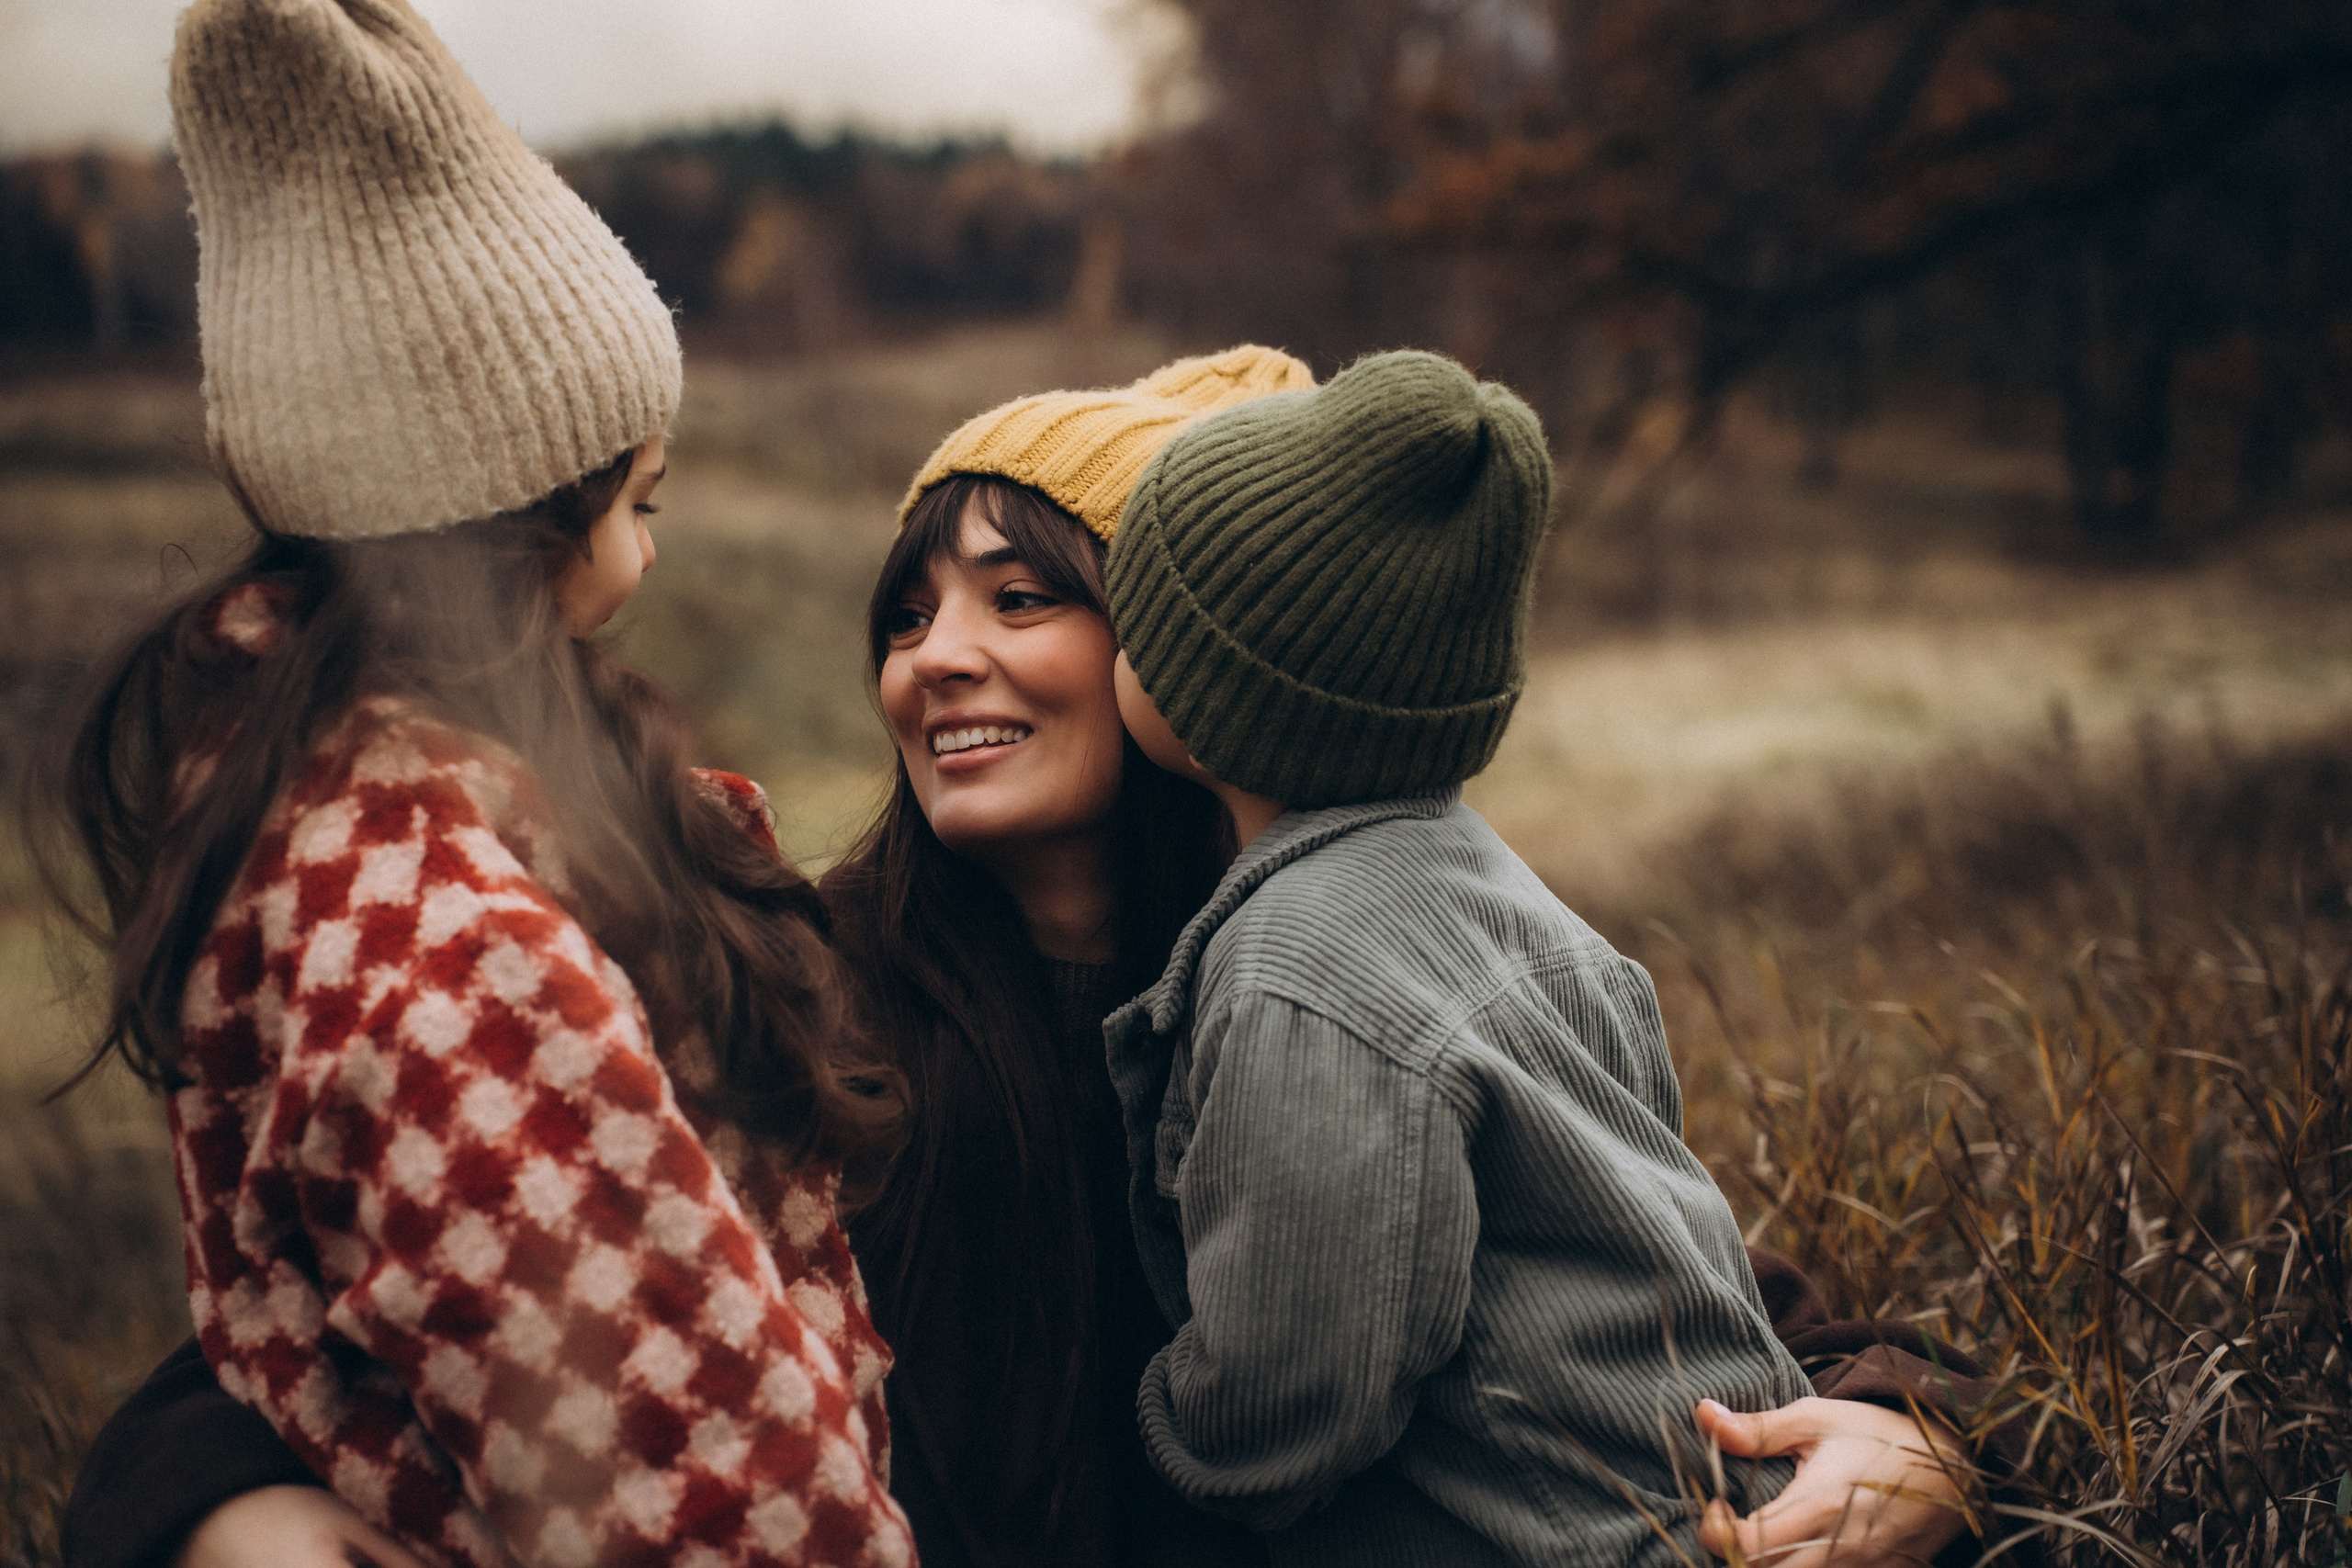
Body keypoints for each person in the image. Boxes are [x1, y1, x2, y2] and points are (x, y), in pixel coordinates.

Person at [65, 352, 2022, 1568]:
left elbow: (1666, 1282)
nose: (935, 657)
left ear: (1185, 659)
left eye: (1024, 595)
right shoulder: (780, 992)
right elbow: (350, 1293)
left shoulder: (1347, 967)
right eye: (908, 607)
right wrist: (211, 1508)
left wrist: (1906, 1424)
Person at [40, 3, 913, 1566]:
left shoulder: (296, 816)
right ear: (515, 530)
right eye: (639, 499)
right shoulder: (457, 964)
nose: (650, 555)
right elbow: (713, 1491)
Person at [1092, 347, 1904, 1565]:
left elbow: (1299, 1391)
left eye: (1138, 620)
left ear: (1216, 694)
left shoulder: (1297, 967)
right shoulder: (1522, 906)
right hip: (1733, 1500)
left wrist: (1167, 1443)